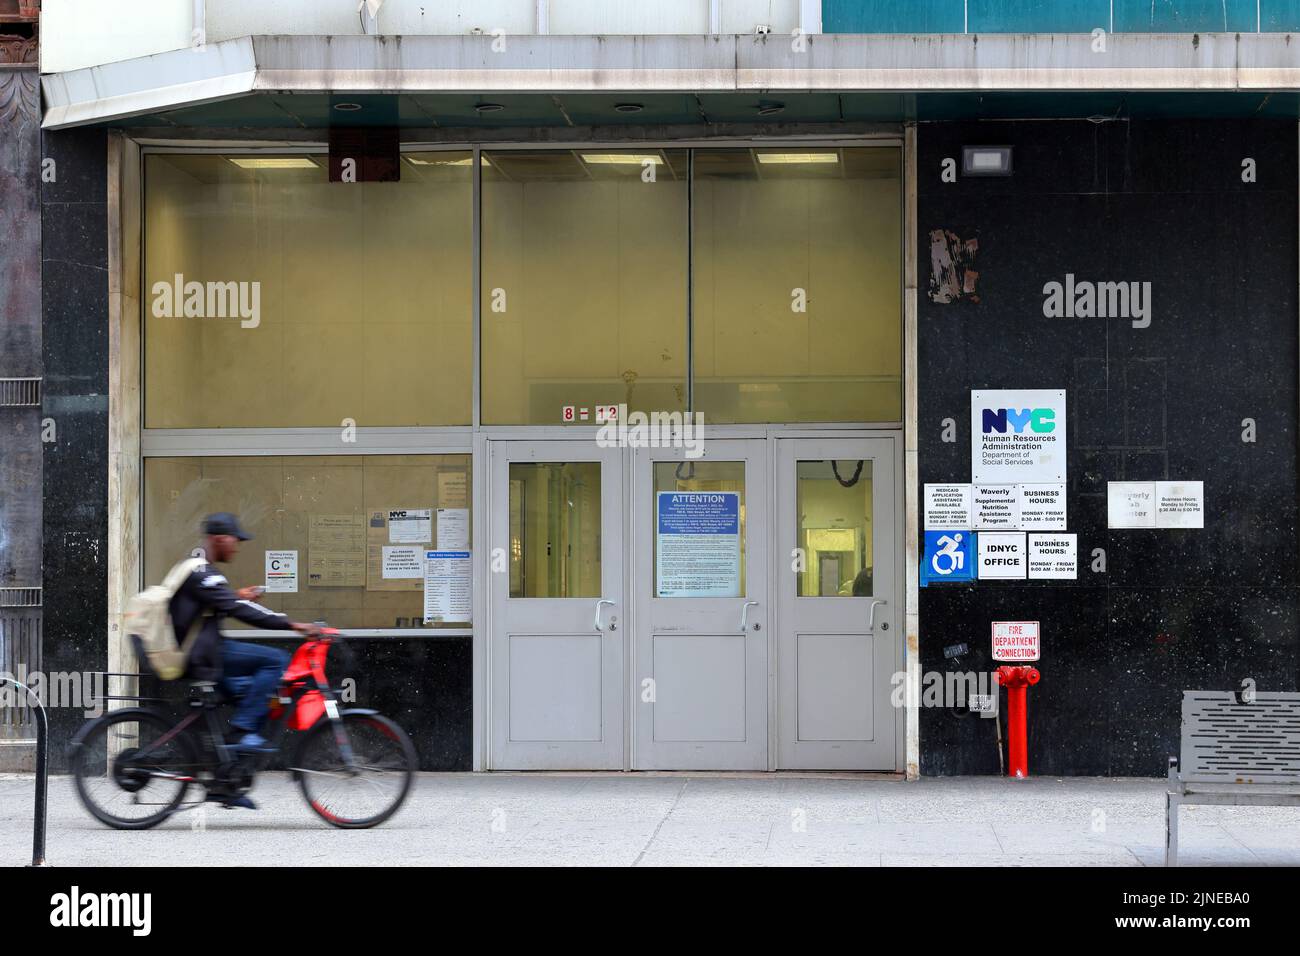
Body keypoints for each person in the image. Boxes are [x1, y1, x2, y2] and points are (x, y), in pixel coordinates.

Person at [169, 513, 318, 765]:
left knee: (252, 692)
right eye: (234, 540)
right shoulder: (205, 573)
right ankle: (243, 732)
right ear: (218, 539)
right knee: (276, 660)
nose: (236, 547)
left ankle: (228, 777)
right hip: (202, 654)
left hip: (199, 651)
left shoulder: (198, 568)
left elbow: (211, 602)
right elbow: (239, 610)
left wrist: (236, 596)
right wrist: (294, 625)